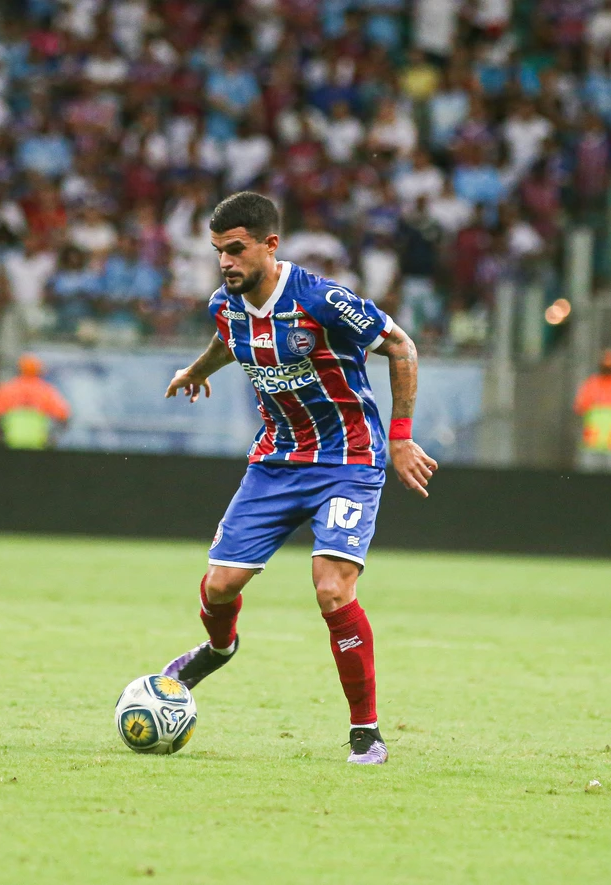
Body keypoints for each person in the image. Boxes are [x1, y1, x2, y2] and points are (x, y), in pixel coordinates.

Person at [159, 192, 437, 766]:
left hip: (348, 461)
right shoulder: (226, 303)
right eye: (218, 253)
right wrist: (195, 370)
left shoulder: (323, 299)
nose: (226, 263)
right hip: (276, 461)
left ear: (269, 244)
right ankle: (218, 648)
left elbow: (401, 346)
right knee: (218, 587)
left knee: (332, 589)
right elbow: (228, 338)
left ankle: (366, 732)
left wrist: (402, 435)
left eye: (236, 250)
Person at [0, 354, 71, 449]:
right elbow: (63, 417)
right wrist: (52, 438)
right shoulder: (46, 391)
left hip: (10, 445)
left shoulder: (7, 389)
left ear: (19, 369)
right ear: (40, 371)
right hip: (38, 445)